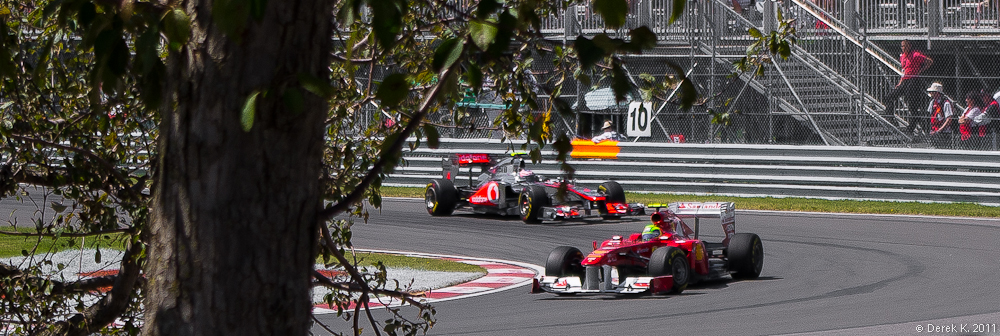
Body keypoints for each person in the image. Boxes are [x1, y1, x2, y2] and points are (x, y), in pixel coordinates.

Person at [882, 40, 933, 135]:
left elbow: (929, 61)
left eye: (905, 46)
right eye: (902, 46)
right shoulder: (902, 56)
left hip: (913, 80)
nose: (903, 48)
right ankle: (889, 116)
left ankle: (911, 126)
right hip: (905, 79)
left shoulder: (915, 55)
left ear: (909, 46)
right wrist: (900, 82)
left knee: (912, 104)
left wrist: (920, 70)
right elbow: (904, 70)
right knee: (889, 96)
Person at [926, 83, 954, 148]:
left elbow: (949, 119)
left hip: (944, 132)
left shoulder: (945, 103)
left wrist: (939, 130)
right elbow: (929, 114)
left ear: (937, 93)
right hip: (933, 130)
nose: (931, 94)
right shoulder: (932, 102)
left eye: (932, 92)